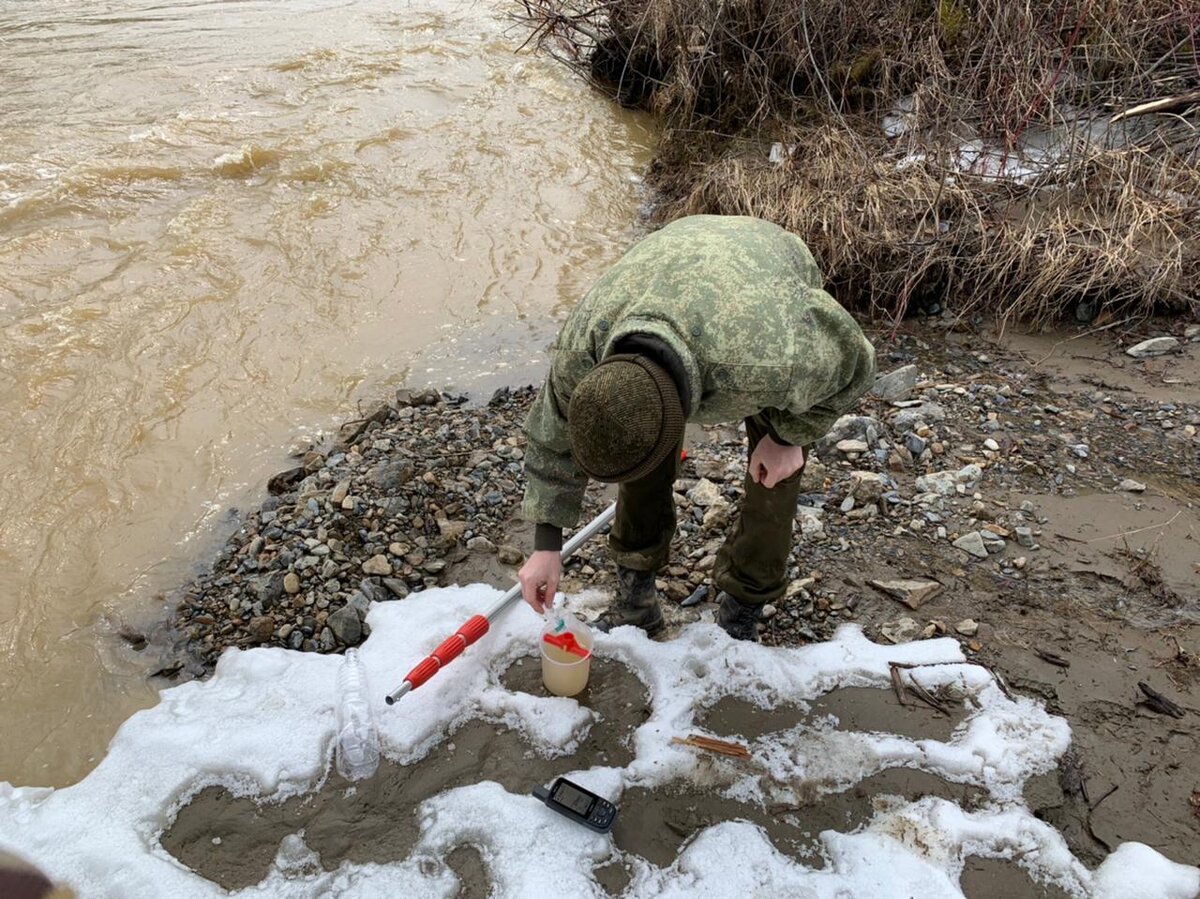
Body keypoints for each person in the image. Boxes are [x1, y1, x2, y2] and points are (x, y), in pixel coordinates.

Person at [517, 215, 875, 640]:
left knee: (774, 476)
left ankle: (743, 606)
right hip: (676, 257)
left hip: (764, 272)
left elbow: (856, 366)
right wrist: (547, 544)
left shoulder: (774, 357)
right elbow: (550, 438)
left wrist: (787, 438)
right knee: (639, 454)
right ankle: (637, 601)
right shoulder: (582, 349)